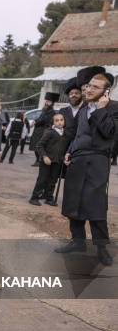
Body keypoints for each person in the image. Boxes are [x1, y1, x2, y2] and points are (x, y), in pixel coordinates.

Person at [55, 66, 117, 266]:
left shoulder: (113, 107)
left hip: (98, 160)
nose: (89, 90)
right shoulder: (82, 109)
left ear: (106, 91)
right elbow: (79, 135)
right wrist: (69, 152)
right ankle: (78, 240)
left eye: (95, 87)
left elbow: (110, 132)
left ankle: (101, 247)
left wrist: (101, 109)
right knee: (74, 201)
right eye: (89, 86)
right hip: (77, 160)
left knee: (95, 204)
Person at [29, 113, 66, 206]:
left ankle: (49, 197)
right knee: (42, 179)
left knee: (53, 180)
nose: (59, 122)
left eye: (61, 120)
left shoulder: (65, 134)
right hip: (47, 160)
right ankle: (34, 197)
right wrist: (44, 156)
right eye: (57, 120)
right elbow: (39, 145)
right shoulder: (50, 132)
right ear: (53, 122)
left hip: (57, 161)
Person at [29, 92, 59, 166]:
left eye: (48, 101)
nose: (46, 103)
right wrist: (35, 121)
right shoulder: (44, 110)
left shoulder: (52, 112)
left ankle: (39, 160)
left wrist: (36, 122)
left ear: (52, 103)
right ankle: (37, 160)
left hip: (43, 132)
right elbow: (40, 118)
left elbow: (44, 120)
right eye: (46, 101)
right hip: (38, 131)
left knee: (39, 147)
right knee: (35, 147)